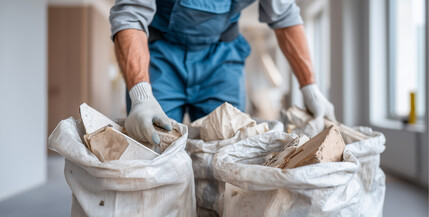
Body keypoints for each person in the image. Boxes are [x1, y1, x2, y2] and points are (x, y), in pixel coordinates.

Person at [110, 0, 336, 145]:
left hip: (222, 57)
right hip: (160, 54)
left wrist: (310, 88)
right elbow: (131, 13)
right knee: (152, 146)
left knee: (228, 147)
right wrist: (141, 95)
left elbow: (284, 16)